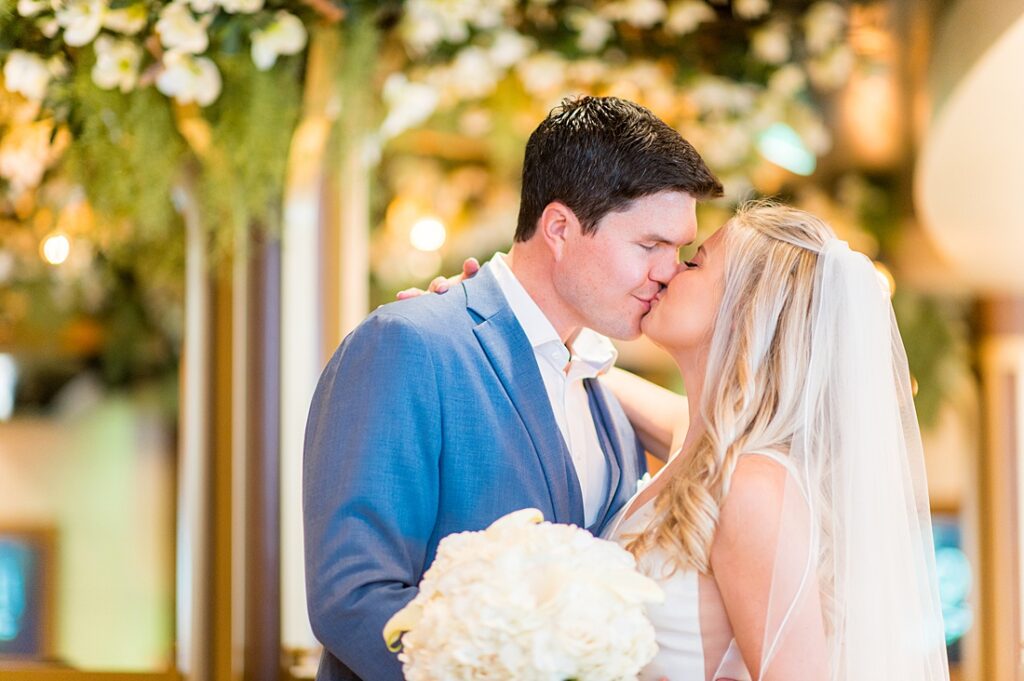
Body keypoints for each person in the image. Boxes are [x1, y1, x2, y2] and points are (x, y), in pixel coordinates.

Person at [302, 95, 723, 681]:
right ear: (559, 228)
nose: (668, 271)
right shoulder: (411, 343)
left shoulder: (598, 385)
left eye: (678, 251)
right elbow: (353, 597)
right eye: (650, 246)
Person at [601, 201, 949, 680]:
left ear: (748, 308)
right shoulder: (704, 449)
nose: (669, 270)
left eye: (696, 262)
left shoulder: (752, 487)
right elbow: (592, 375)